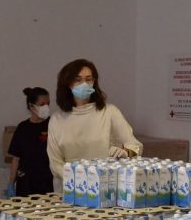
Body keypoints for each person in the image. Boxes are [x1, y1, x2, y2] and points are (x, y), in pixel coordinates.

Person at [47, 58, 143, 186]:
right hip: (69, 189)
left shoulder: (109, 112)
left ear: (94, 82)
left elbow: (136, 147)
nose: (84, 84)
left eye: (88, 79)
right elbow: (55, 164)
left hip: (105, 188)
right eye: (78, 79)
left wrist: (126, 152)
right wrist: (82, 182)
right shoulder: (56, 119)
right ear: (67, 83)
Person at [6, 87, 54, 197]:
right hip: (26, 183)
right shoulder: (23, 128)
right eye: (42, 104)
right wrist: (11, 183)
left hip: (48, 182)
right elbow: (16, 159)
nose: (46, 107)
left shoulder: (53, 124)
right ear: (31, 106)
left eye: (48, 104)